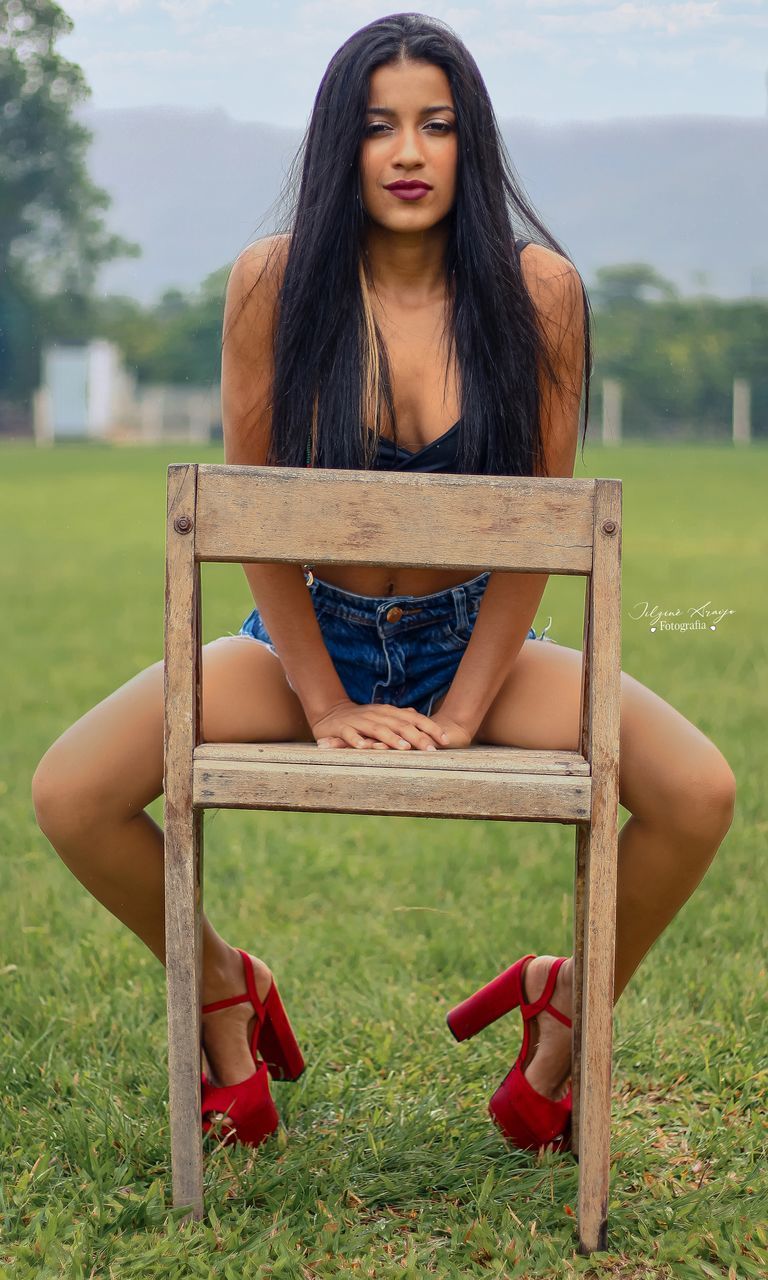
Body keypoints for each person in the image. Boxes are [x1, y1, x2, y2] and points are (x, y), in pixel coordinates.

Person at [31, 13, 736, 1154]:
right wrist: (321, 700)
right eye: (378, 126)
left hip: (478, 647)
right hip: (309, 640)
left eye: (437, 124)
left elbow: (540, 530)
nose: (409, 151)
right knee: (71, 791)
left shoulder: (540, 291)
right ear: (338, 147)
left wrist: (461, 710)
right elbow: (250, 507)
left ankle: (562, 1010)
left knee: (698, 792)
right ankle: (223, 987)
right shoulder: (274, 282)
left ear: (472, 142)